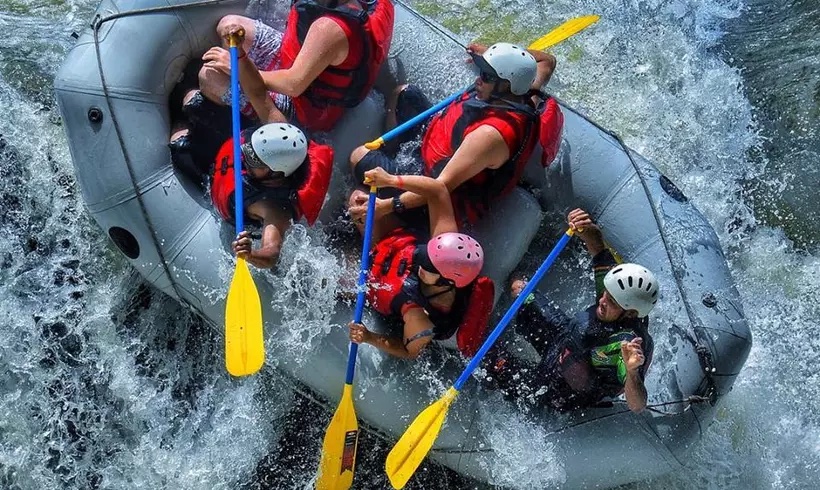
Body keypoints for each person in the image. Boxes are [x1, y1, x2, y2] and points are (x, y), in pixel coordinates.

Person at [349, 41, 561, 227]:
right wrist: (494, 55)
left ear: (506, 85)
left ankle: (398, 227)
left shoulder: (490, 135)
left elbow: (439, 188)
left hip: (439, 198)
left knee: (360, 156)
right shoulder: (523, 92)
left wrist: (385, 206)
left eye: (486, 75)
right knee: (403, 93)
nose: (478, 79)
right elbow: (547, 61)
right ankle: (394, 157)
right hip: (438, 150)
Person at [172, 30, 335, 269]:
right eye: (250, 149)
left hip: (213, 174)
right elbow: (257, 92)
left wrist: (250, 254)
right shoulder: (278, 129)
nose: (245, 155)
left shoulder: (275, 209)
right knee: (193, 102)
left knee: (180, 145)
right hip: (228, 144)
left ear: (275, 176)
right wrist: (239, 54)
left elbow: (272, 253)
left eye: (252, 158)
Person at [482, 208, 660, 413]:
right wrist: (584, 227)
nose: (602, 300)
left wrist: (632, 371)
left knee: (491, 360)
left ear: (630, 313)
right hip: (565, 337)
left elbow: (637, 405)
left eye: (611, 301)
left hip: (559, 388)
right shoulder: (617, 287)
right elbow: (598, 247)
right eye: (605, 294)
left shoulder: (625, 345)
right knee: (519, 288)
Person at [346, 167, 495, 360]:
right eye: (425, 256)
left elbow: (410, 351)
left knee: (323, 276)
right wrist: (391, 180)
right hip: (389, 245)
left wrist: (369, 337)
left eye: (428, 267)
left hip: (376, 283)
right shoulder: (446, 243)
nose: (420, 265)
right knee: (357, 200)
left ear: (444, 282)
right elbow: (437, 190)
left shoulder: (420, 318)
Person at [197, 0, 394, 132]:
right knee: (229, 24)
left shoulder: (329, 29)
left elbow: (293, 85)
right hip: (301, 60)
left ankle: (249, 123)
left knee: (209, 77)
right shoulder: (376, 4)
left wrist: (238, 69)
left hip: (305, 104)